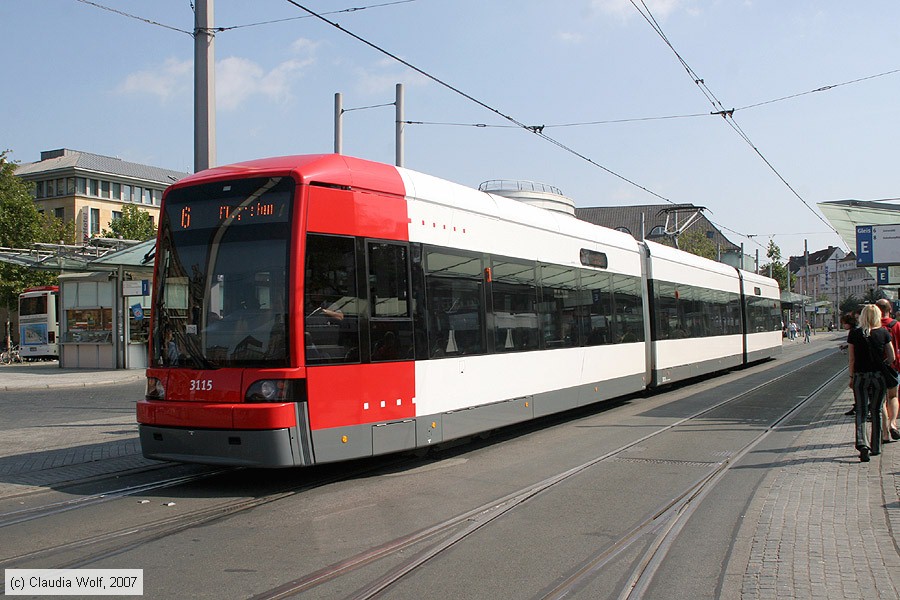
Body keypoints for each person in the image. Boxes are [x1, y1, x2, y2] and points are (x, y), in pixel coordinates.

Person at [847, 304, 895, 462]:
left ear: (862, 316)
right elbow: (892, 357)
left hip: (860, 377)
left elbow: (852, 359)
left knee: (861, 410)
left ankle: (862, 444)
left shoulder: (854, 333)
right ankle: (876, 447)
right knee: (876, 410)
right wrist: (882, 363)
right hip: (879, 377)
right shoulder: (883, 333)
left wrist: (851, 377)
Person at [875, 298, 900, 441]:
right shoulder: (897, 325)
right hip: (893, 367)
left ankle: (884, 434)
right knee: (893, 396)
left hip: (877, 368)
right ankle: (893, 424)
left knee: (881, 401)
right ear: (889, 309)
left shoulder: (874, 327)